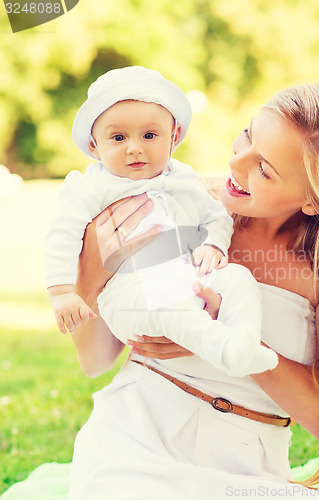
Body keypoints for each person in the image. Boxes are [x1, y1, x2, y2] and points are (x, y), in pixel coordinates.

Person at [68, 82, 319, 499]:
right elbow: (94, 360)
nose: (235, 163)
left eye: (264, 169)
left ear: (315, 200)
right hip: (132, 441)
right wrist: (89, 276)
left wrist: (231, 342)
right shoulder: (179, 206)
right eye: (248, 134)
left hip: (249, 467)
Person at [44, 66, 278, 377]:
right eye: (118, 137)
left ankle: (245, 342)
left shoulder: (183, 178)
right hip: (130, 289)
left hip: (187, 273)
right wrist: (62, 292)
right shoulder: (90, 187)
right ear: (93, 146)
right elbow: (63, 235)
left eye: (150, 135)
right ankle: (226, 349)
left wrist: (213, 244)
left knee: (237, 279)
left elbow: (215, 215)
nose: (135, 147)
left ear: (174, 137)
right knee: (170, 307)